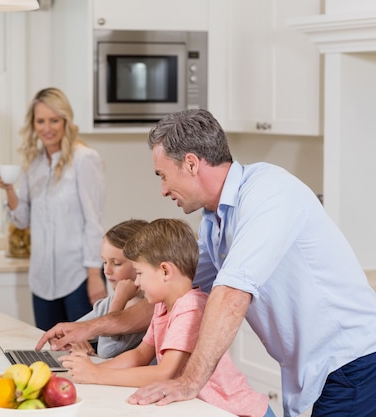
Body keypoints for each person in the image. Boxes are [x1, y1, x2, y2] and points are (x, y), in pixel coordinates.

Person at [37, 108, 376, 417]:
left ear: (191, 164)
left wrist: (189, 382)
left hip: (352, 362)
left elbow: (231, 294)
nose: (163, 190)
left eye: (162, 175)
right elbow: (172, 296)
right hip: (316, 368)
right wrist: (90, 328)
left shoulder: (268, 193)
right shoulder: (214, 224)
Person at [61, 218, 272, 417]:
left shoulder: (191, 308)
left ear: (165, 271)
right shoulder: (163, 306)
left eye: (140, 273)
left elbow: (165, 373)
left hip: (240, 412)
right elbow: (140, 354)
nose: (137, 283)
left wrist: (97, 376)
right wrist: (93, 370)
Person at [0, 87, 107, 331]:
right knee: (51, 353)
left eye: (54, 120)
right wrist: (9, 189)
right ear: (33, 124)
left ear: (65, 120)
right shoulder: (34, 164)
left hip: (78, 278)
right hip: (42, 281)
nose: (47, 128)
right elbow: (22, 220)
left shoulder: (84, 159)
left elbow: (93, 222)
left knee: (86, 354)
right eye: (41, 121)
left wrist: (95, 276)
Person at [72, 219, 149, 358]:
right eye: (104, 262)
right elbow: (71, 331)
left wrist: (120, 299)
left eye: (116, 263)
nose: (106, 270)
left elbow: (107, 351)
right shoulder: (109, 302)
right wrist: (76, 340)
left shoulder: (145, 308)